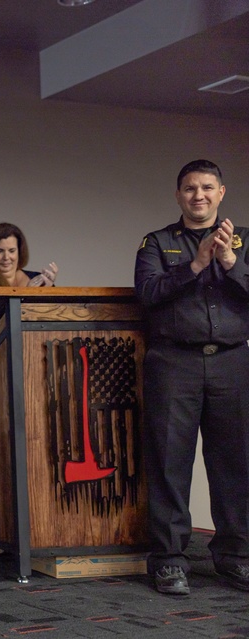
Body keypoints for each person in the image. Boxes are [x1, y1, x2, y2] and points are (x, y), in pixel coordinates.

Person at [134, 159, 249, 596]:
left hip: (233, 364)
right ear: (178, 194)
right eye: (189, 188)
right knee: (169, 463)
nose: (197, 195)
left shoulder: (245, 240)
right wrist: (196, 265)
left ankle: (236, 557)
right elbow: (147, 293)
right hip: (173, 364)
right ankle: (168, 560)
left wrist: (229, 260)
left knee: (236, 464)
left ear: (222, 192)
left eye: (206, 187)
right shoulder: (157, 242)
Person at [0, 222, 58, 306]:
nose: (6, 257)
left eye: (12, 251)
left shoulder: (37, 279)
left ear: (19, 252)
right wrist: (26, 295)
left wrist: (50, 292)